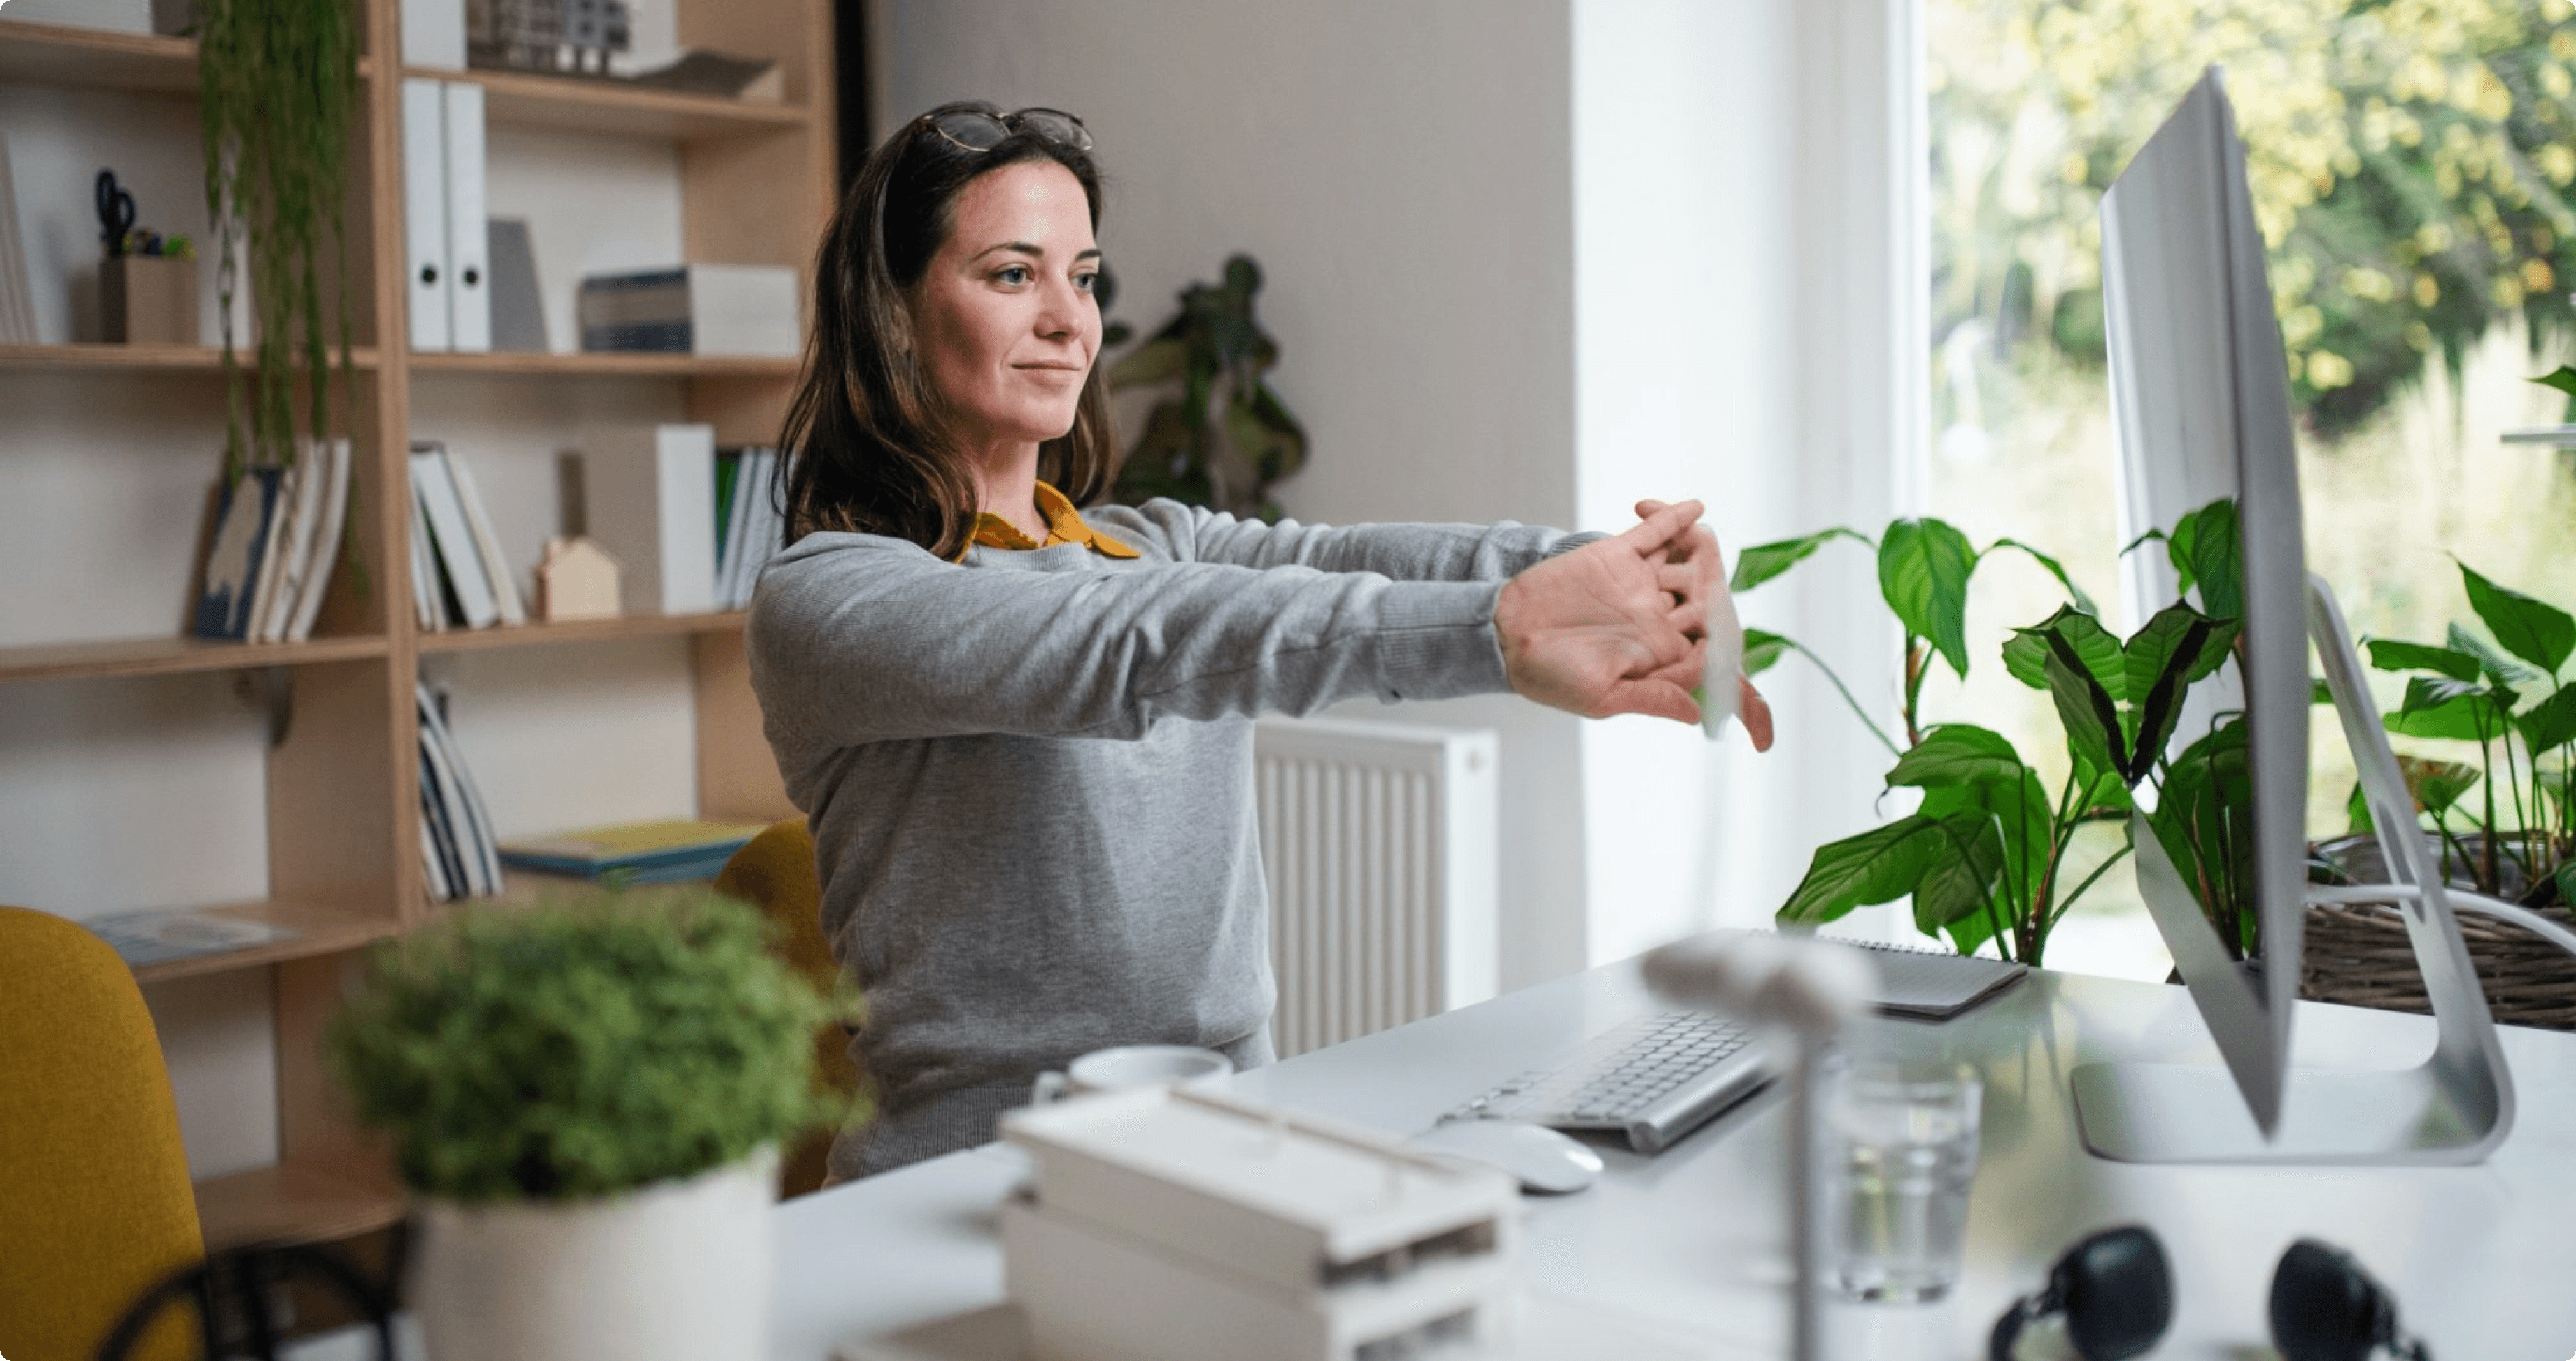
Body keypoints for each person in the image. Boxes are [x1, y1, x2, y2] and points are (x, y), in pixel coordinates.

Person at [748, 100, 1775, 1180]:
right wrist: (1501, 631)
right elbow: (1130, 644)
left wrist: (1619, 567)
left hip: (1231, 1138)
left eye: (1084, 277)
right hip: (972, 1174)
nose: (1069, 321)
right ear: (895, 313)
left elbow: (1346, 561)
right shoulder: (833, 598)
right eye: (1013, 275)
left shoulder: (1156, 540)